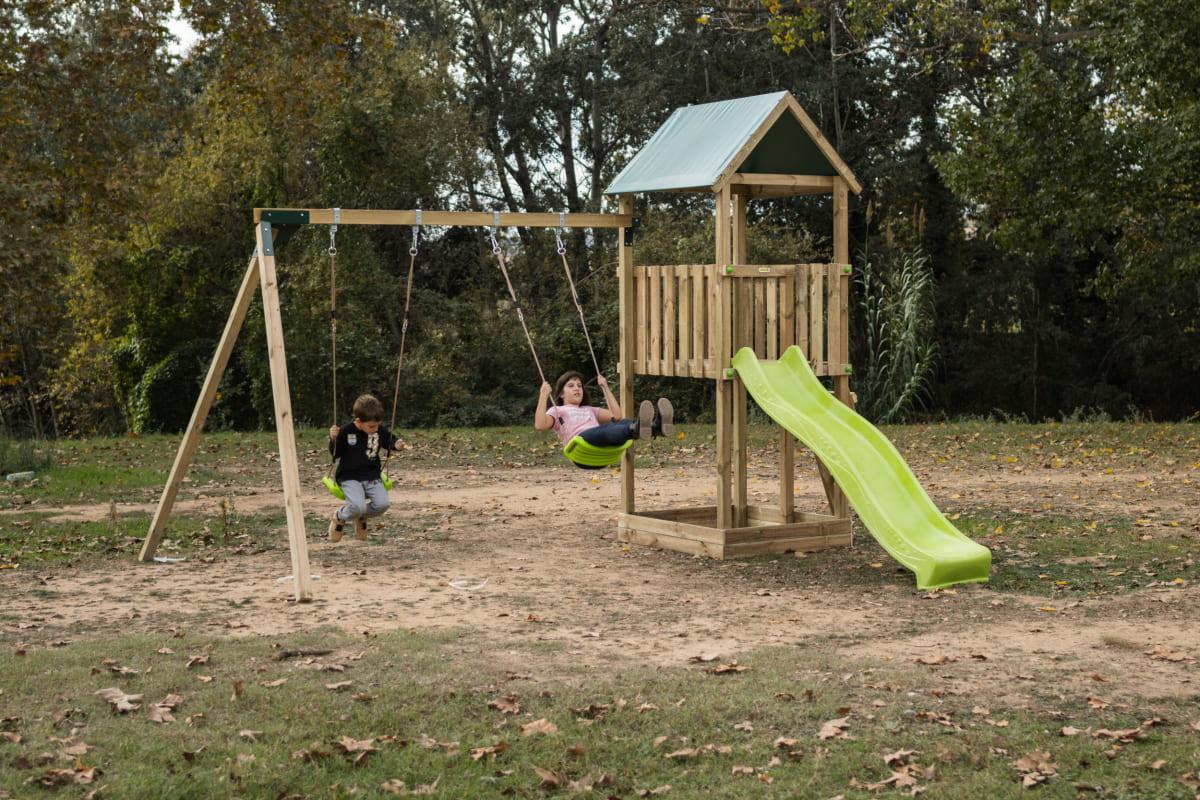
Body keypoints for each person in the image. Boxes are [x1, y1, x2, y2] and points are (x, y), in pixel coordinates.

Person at [535, 371, 673, 465]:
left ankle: (656, 427)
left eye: (579, 386)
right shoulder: (558, 410)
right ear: (561, 394)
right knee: (606, 429)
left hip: (600, 443)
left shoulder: (589, 410)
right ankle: (637, 428)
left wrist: (605, 387)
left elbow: (616, 415)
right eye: (571, 386)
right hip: (581, 448)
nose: (577, 388)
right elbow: (540, 425)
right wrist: (543, 395)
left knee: (623, 422)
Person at [327, 394, 407, 542]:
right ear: (358, 422)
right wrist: (334, 439)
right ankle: (339, 516)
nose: (375, 429)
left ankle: (361, 517)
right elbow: (336, 454)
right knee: (357, 506)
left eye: (377, 425)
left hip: (372, 475)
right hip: (349, 477)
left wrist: (397, 444)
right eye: (371, 426)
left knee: (383, 505)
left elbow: (390, 440)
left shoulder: (378, 430)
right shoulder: (345, 431)